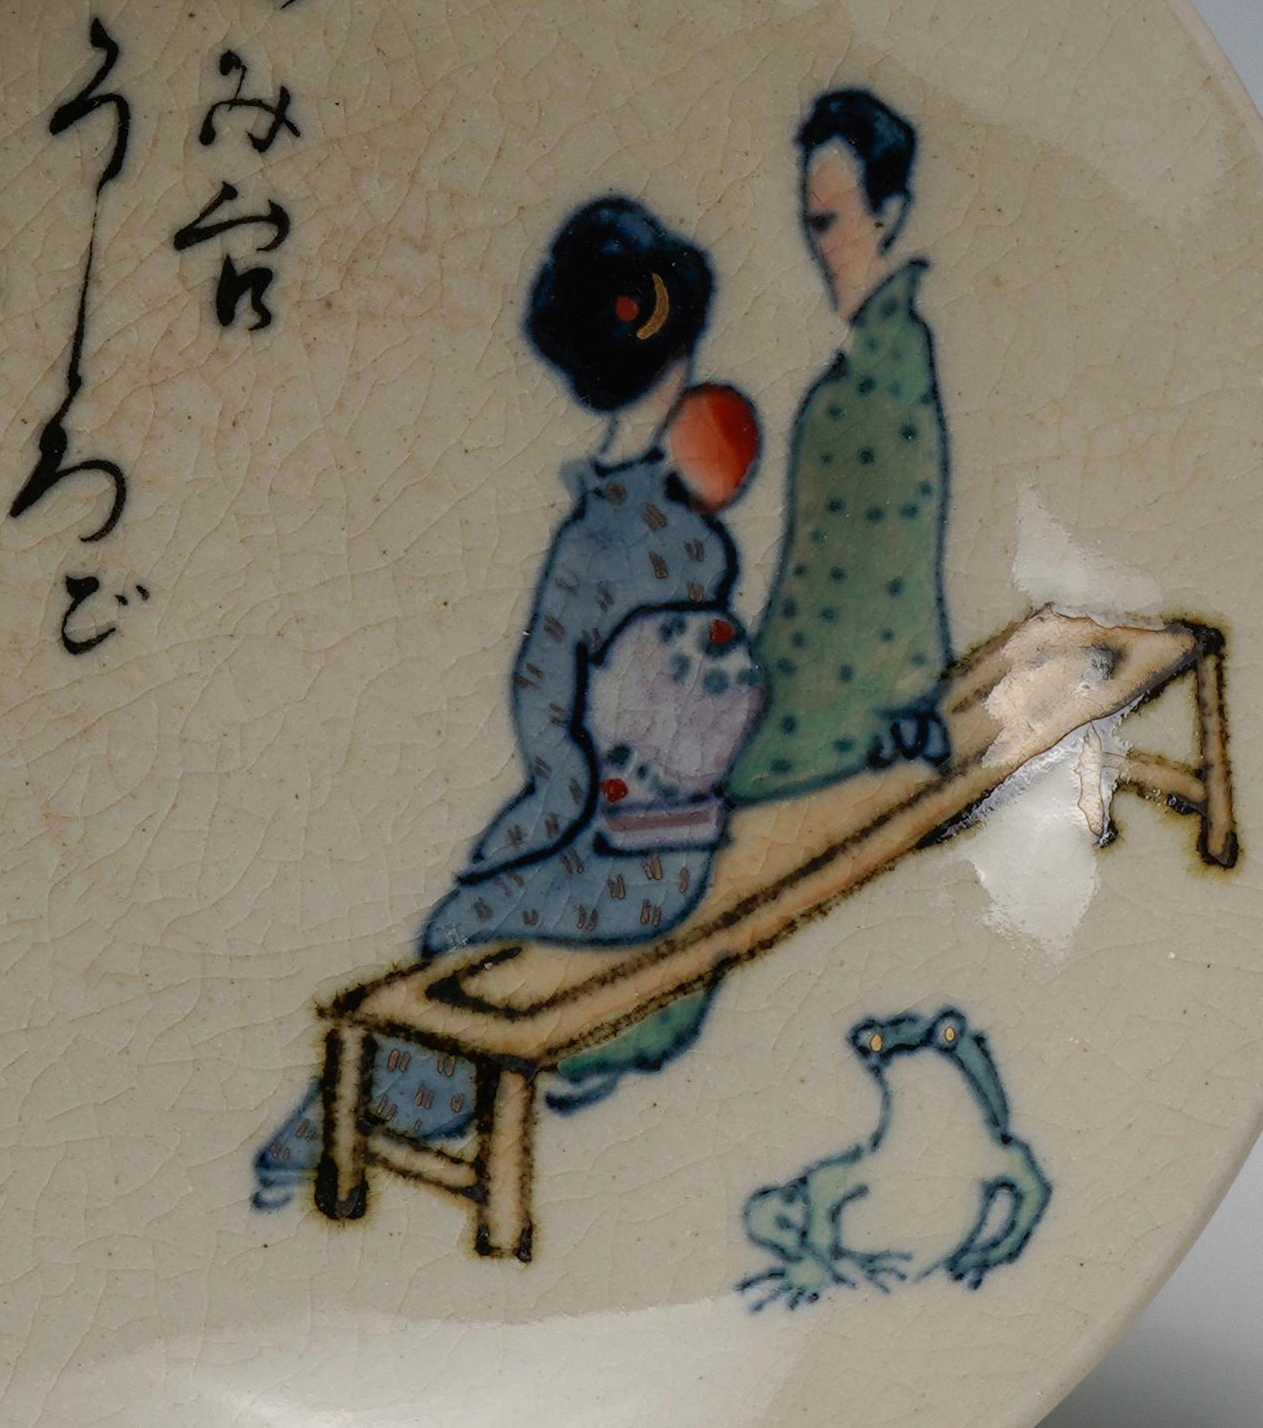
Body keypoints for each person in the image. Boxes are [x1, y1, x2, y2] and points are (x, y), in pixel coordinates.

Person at [253, 197, 758, 1205]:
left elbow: (551, 730)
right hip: (681, 843)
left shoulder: (600, 538)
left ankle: (343, 1127)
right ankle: (356, 1116)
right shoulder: (694, 531)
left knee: (460, 934)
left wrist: (510, 842)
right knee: (471, 932)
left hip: (627, 864)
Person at [728, 87, 954, 802]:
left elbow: (876, 569)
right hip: (831, 680)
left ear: (888, 216)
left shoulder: (885, 369)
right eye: (809, 222)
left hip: (845, 702)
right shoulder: (869, 360)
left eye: (828, 222)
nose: (817, 247)